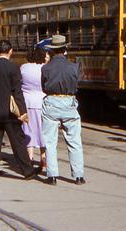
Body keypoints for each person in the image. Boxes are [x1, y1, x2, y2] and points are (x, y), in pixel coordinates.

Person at [0, 40, 37, 184]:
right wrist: (22, 111)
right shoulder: (13, 68)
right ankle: (27, 171)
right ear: (10, 52)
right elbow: (17, 93)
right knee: (18, 142)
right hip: (10, 114)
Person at [41, 35, 85, 185]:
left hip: (52, 102)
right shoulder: (74, 66)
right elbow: (77, 84)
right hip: (69, 102)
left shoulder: (46, 68)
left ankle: (52, 176)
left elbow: (43, 87)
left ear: (52, 51)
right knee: (74, 141)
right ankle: (79, 175)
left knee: (50, 141)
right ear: (65, 49)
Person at [21, 46, 47, 170]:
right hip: (42, 102)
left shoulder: (24, 68)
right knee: (44, 130)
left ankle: (30, 158)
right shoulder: (45, 69)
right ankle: (43, 157)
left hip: (27, 102)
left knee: (28, 130)